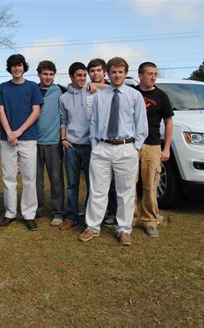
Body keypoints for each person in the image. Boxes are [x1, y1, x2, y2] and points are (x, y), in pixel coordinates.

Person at [79, 57, 148, 246]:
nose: (117, 75)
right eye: (113, 72)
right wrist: (95, 146)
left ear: (125, 73)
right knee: (97, 190)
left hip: (126, 148)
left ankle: (124, 229)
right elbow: (93, 123)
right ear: (108, 74)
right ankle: (92, 227)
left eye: (120, 72)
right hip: (102, 147)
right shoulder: (100, 96)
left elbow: (142, 125)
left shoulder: (134, 96)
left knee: (125, 192)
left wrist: (135, 147)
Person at [0, 54, 43, 231]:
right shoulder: (3, 88)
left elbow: (36, 111)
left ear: (24, 67)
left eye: (19, 65)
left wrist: (19, 132)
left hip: (28, 138)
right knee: (8, 177)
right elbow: (0, 111)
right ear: (10, 68)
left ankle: (29, 214)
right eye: (13, 66)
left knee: (29, 177)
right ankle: (10, 213)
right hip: (8, 139)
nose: (17, 68)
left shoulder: (32, 87)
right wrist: (9, 133)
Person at [134, 62, 173, 237]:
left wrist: (166, 149)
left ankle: (150, 221)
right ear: (140, 75)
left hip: (152, 145)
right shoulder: (132, 93)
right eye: (149, 73)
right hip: (132, 145)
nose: (153, 77)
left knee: (150, 185)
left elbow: (169, 122)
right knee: (129, 185)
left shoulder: (161, 96)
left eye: (155, 74)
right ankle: (131, 218)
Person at [58, 62, 94, 231]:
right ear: (71, 77)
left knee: (91, 183)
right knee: (72, 184)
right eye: (78, 76)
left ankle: (89, 216)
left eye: (84, 76)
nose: (82, 79)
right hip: (71, 145)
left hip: (89, 146)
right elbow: (63, 120)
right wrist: (63, 139)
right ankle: (71, 216)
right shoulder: (64, 97)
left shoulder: (92, 92)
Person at [87, 58, 117, 227]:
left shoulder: (111, 88)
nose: (95, 73)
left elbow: (113, 87)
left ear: (104, 72)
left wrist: (97, 86)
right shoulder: (86, 88)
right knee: (95, 182)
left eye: (99, 70)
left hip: (109, 141)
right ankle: (95, 213)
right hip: (90, 140)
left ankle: (112, 212)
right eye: (92, 71)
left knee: (112, 181)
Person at [35, 60, 65, 226]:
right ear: (39, 74)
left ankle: (58, 212)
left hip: (54, 142)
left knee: (56, 179)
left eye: (51, 74)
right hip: (34, 142)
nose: (48, 77)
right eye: (45, 74)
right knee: (35, 179)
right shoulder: (32, 89)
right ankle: (38, 209)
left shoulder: (60, 90)